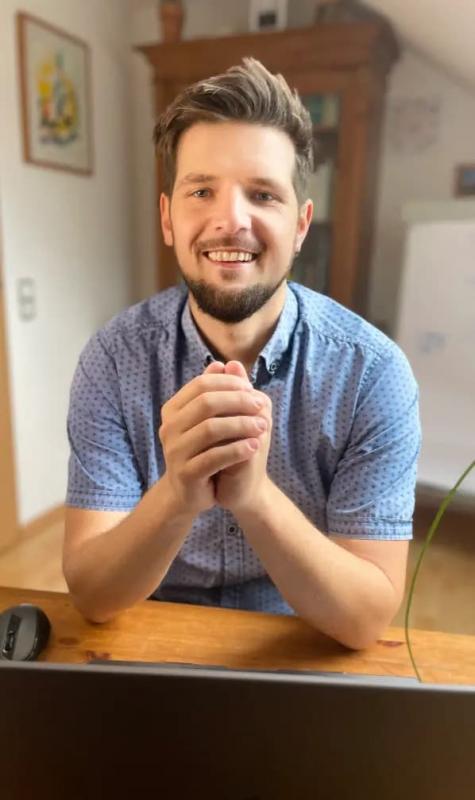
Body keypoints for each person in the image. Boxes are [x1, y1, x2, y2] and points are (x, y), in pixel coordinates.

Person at [63, 58, 421, 649]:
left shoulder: (372, 374)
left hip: (301, 635)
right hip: (151, 631)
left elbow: (364, 620)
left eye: (262, 194)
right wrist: (177, 494)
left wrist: (255, 498)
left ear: (301, 225)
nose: (230, 220)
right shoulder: (113, 360)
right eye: (202, 191)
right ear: (168, 218)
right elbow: (93, 596)